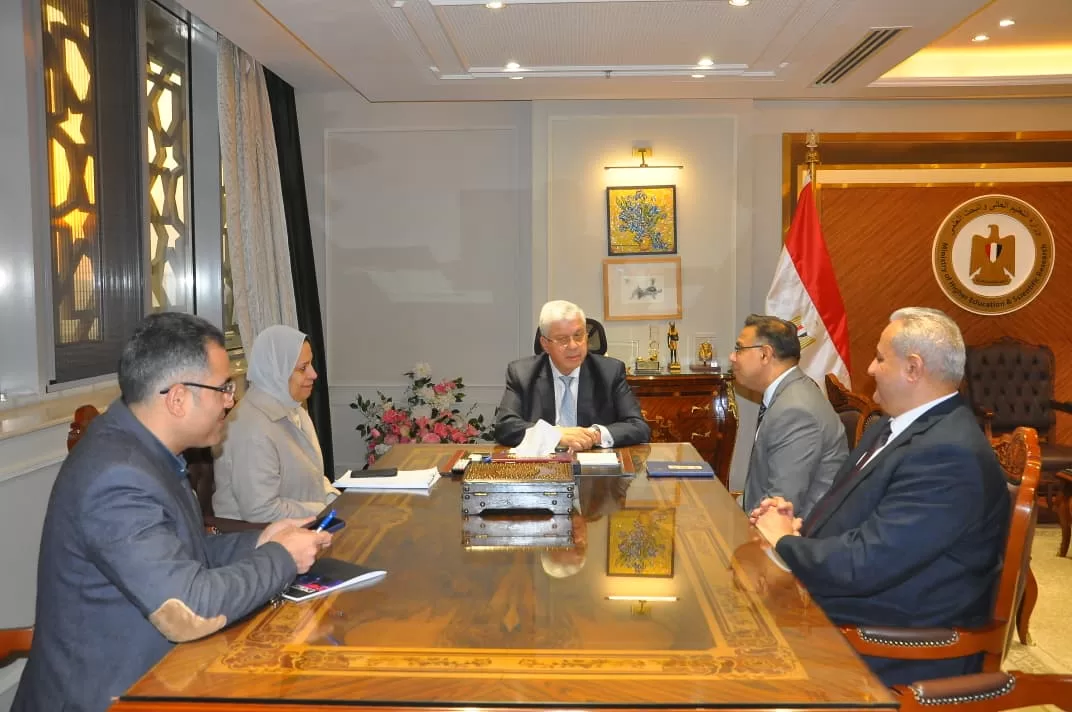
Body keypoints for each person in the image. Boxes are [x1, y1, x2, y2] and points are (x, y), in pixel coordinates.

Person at [13, 313, 332, 712]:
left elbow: (183, 552)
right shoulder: (116, 477)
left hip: (163, 675)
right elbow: (188, 611)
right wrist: (282, 558)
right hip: (109, 697)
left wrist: (261, 541)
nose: (231, 401)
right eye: (224, 388)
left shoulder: (144, 449)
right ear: (178, 398)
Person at [751, 307, 1010, 687]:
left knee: (739, 651)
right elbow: (856, 517)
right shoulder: (891, 426)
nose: (870, 369)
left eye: (880, 358)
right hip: (865, 605)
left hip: (899, 642)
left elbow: (868, 562)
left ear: (913, 368)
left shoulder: (949, 454)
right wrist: (797, 526)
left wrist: (785, 542)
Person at [213, 325, 339, 522]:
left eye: (311, 364)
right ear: (277, 371)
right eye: (303, 368)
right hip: (255, 536)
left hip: (301, 526)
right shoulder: (251, 429)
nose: (314, 374)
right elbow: (261, 511)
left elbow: (313, 478)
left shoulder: (294, 408)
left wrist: (338, 502)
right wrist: (322, 510)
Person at [730, 314, 847, 519]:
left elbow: (780, 505)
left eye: (739, 349)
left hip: (796, 533)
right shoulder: (788, 393)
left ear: (765, 354)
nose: (733, 357)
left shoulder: (795, 411)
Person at [493, 300, 650, 451]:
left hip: (595, 463)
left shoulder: (610, 372)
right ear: (545, 344)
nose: (573, 346)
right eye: (562, 339)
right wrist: (555, 435)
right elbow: (505, 427)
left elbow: (638, 426)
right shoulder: (522, 373)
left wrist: (593, 435)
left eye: (578, 335)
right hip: (543, 464)